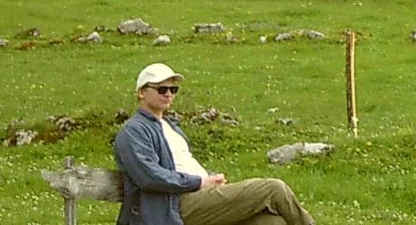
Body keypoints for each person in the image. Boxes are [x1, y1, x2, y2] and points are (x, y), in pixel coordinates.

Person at [114, 62, 318, 225]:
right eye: (161, 89)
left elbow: (183, 163)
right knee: (273, 189)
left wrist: (209, 179)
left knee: (273, 222)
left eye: (173, 89)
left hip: (198, 197)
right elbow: (149, 176)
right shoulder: (134, 131)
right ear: (142, 92)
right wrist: (200, 182)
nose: (168, 94)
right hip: (172, 207)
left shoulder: (169, 125)